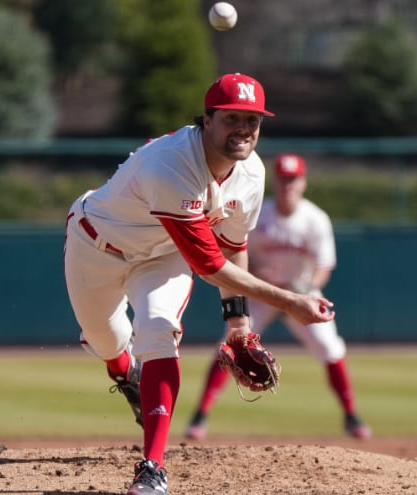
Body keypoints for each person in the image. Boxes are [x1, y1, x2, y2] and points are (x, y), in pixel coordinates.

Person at [63, 74, 336, 495]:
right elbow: (209, 266)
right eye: (232, 119)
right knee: (107, 342)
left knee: (157, 329)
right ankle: (126, 375)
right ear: (206, 121)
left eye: (253, 120)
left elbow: (231, 245)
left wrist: (240, 326)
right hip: (96, 246)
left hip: (164, 255)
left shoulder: (251, 173)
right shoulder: (172, 162)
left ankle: (152, 468)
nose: (244, 129)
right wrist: (289, 300)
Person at [185, 153, 371, 442]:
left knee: (331, 348)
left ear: (303, 182)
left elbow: (324, 266)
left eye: (293, 179)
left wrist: (307, 285)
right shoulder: (261, 215)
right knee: (231, 343)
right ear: (276, 181)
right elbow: (239, 252)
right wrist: (260, 277)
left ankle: (351, 415)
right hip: (264, 293)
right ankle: (200, 416)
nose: (288, 185)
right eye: (283, 179)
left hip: (302, 295)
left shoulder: (315, 219)